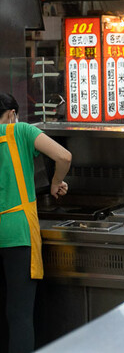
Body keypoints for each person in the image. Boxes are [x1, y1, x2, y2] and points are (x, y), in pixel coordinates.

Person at [0, 93, 71, 353]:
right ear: (11, 114)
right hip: (17, 231)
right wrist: (55, 183)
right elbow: (64, 156)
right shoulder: (20, 130)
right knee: (19, 316)